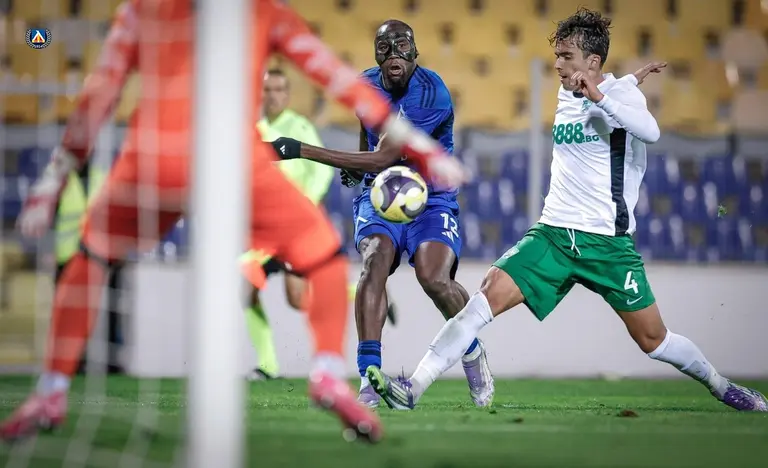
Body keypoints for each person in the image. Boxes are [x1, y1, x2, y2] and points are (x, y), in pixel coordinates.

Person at [0, 0, 468, 443]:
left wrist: (53, 177)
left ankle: (51, 390)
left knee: (91, 255)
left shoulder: (139, 12)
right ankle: (327, 374)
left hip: (154, 154)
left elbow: (98, 96)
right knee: (323, 255)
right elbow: (333, 75)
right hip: (238, 160)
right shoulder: (260, 12)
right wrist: (425, 151)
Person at [366, 8, 768, 413]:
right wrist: (609, 85)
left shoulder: (621, 97)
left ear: (592, 62)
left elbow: (650, 131)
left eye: (566, 57)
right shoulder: (566, 92)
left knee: (654, 341)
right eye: (557, 55)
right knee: (481, 302)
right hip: (554, 234)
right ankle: (412, 388)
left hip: (607, 243)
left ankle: (721, 386)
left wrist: (606, 95)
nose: (557, 65)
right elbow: (599, 91)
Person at [271, 19, 494, 409]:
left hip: (432, 197)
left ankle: (472, 351)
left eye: (402, 45)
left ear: (415, 51)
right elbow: (370, 133)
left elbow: (385, 156)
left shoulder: (432, 93)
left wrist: (300, 149)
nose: (394, 54)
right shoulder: (365, 86)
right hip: (381, 196)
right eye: (384, 46)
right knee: (374, 264)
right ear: (376, 54)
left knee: (434, 278)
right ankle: (369, 379)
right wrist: (358, 164)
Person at [243, 68, 399, 380]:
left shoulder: (298, 127)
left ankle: (361, 289)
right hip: (263, 230)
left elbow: (322, 171)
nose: (272, 95)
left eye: (278, 89)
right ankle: (268, 365)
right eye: (267, 89)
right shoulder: (255, 129)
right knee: (246, 286)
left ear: (287, 95)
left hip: (294, 226)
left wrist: (304, 205)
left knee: (297, 299)